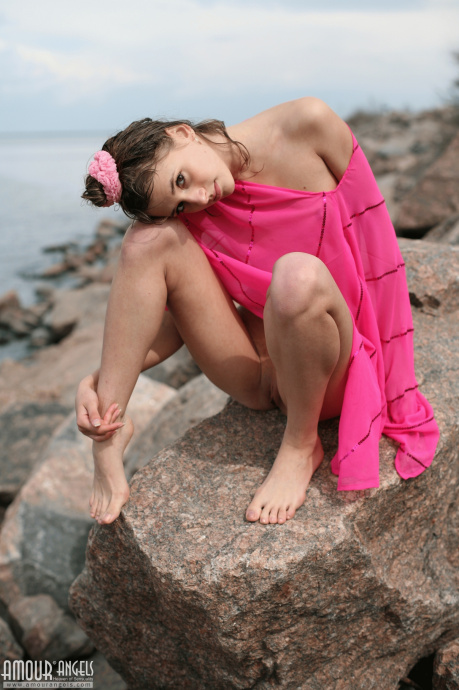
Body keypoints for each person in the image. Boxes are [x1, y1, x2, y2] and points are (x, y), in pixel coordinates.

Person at [76, 97, 439, 527]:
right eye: (179, 205)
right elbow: (176, 318)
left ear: (182, 132)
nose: (199, 198)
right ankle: (108, 436)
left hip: (331, 366)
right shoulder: (194, 206)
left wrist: (396, 380)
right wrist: (101, 381)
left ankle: (301, 445)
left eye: (181, 179)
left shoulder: (308, 124)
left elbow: (378, 246)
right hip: (257, 375)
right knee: (145, 241)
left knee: (296, 275)